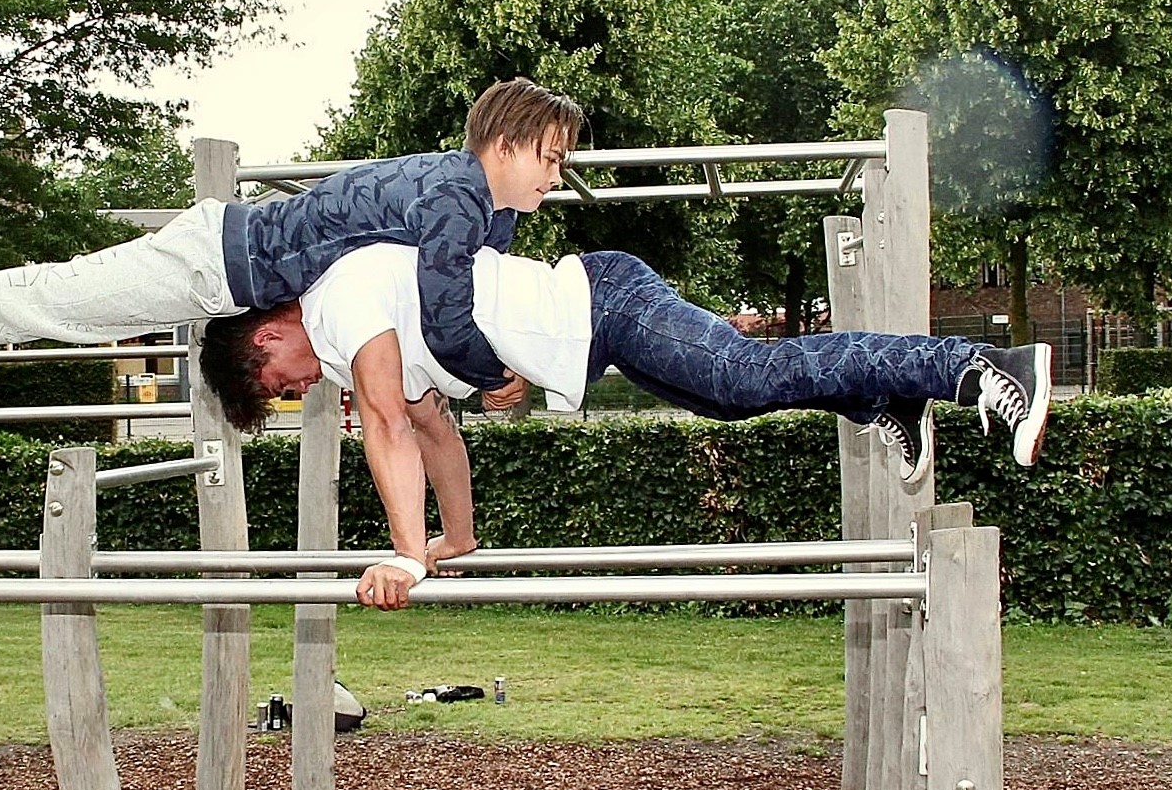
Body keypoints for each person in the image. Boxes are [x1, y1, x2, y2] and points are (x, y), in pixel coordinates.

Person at [197, 243, 1052, 611]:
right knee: (727, 396)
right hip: (598, 327)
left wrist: (403, 552)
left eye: (277, 382)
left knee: (743, 374)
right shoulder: (354, 344)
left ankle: (979, 367)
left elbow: (388, 423)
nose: (294, 389)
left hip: (604, 301)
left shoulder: (339, 304)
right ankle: (882, 397)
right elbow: (432, 432)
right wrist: (453, 537)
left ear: (267, 336)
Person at [0, 77, 584, 433]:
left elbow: (448, 323)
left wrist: (492, 374)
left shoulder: (487, 217)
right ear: (504, 145)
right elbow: (449, 322)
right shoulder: (455, 194)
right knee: (53, 304)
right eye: (549, 157)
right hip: (211, 260)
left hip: (226, 270)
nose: (556, 175)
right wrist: (492, 375)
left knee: (54, 307)